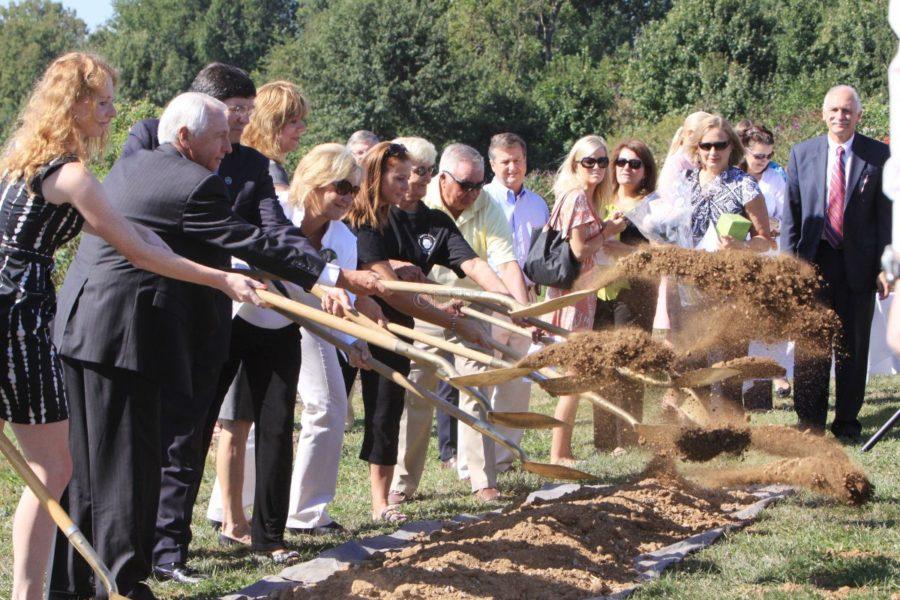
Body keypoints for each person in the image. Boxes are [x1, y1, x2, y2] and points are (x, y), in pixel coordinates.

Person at [49, 92, 382, 599]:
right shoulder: (196, 184)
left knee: (85, 468)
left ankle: (70, 587)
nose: (229, 147)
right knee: (128, 468)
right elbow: (250, 240)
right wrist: (322, 276)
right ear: (185, 138)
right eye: (220, 137)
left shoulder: (137, 161)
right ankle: (121, 585)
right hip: (125, 335)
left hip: (81, 324)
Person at [0, 52, 259, 600]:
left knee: (54, 467)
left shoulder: (17, 160)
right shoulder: (72, 176)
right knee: (53, 467)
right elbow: (139, 250)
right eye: (103, 102)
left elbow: (142, 236)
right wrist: (221, 280)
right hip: (18, 322)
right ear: (72, 106)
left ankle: (38, 593)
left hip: (20, 310)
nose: (113, 114)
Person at [349, 142, 511, 519]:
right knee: (378, 409)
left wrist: (508, 303)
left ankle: (383, 501)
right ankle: (383, 496)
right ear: (379, 176)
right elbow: (388, 286)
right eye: (404, 175)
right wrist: (452, 320)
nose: (412, 182)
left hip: (402, 322)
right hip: (365, 320)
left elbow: (471, 262)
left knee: (387, 408)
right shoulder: (366, 219)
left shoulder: (432, 221)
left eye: (417, 173)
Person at [207, 79, 311, 552]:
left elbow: (282, 233)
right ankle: (225, 520)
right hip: (231, 306)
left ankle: (267, 533)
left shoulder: (268, 169)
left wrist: (322, 274)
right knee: (228, 421)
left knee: (272, 422)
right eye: (293, 122)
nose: (300, 131)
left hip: (277, 308)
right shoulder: (238, 162)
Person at [419, 143, 532, 500]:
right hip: (423, 303)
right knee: (417, 390)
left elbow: (504, 262)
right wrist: (435, 301)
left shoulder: (488, 204)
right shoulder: (421, 205)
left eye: (479, 186)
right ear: (443, 178)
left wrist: (517, 309)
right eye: (465, 185)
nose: (472, 193)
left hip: (473, 303)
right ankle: (401, 484)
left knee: (476, 386)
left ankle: (484, 481)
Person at [783, 85, 891, 439]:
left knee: (852, 347)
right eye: (834, 110)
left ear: (858, 116)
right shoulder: (802, 154)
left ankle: (846, 423)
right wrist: (788, 268)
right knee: (811, 345)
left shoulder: (879, 156)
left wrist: (886, 267)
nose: (840, 116)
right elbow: (792, 217)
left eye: (847, 111)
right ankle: (809, 423)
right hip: (814, 263)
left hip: (859, 266)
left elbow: (887, 217)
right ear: (823, 114)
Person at [283, 144, 377, 536]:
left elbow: (345, 304)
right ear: (315, 180)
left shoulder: (344, 239)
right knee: (252, 418)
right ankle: (232, 510)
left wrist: (353, 341)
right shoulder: (282, 215)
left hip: (312, 323)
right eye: (341, 186)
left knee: (329, 406)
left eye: (353, 190)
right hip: (261, 313)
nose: (347, 198)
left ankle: (306, 513)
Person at [545, 135, 620, 465]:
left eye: (603, 162)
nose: (597, 168)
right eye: (589, 161)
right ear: (575, 164)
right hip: (572, 295)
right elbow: (579, 250)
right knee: (574, 374)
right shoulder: (576, 198)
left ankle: (564, 449)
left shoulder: (584, 199)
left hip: (580, 294)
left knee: (575, 372)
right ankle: (559, 452)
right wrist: (609, 230)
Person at [481, 132, 549, 470]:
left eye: (518, 160)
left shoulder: (538, 205)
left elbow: (541, 255)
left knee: (517, 380)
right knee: (484, 377)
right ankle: (476, 461)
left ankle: (504, 457)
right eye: (505, 161)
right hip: (491, 301)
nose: (512, 166)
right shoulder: (481, 200)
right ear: (492, 164)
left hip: (528, 301)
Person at [591, 139, 659, 451]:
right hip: (597, 290)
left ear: (645, 171)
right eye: (620, 163)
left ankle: (628, 436)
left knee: (629, 363)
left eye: (635, 164)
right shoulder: (598, 198)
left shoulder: (653, 205)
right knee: (599, 363)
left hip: (635, 291)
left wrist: (624, 250)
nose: (626, 169)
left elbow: (661, 252)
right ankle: (604, 439)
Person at [738, 122, 794, 406]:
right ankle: (748, 384)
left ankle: (774, 374)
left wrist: (772, 225)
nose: (764, 161)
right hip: (739, 254)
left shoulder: (775, 177)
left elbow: (787, 215)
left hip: (769, 253)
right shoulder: (733, 175)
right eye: (759, 155)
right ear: (745, 151)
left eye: (769, 156)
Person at [241, 80, 309, 192]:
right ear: (270, 125)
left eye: (301, 120)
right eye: (293, 121)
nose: (302, 128)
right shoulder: (271, 172)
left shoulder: (241, 162)